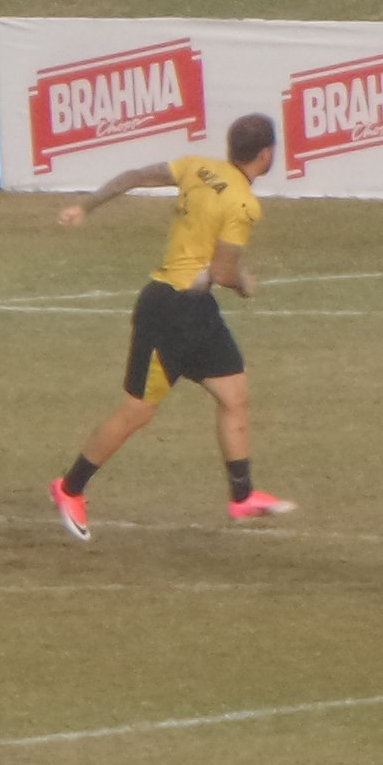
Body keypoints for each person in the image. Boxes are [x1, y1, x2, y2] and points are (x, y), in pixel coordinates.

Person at [49, 115, 295, 540]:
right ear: (267, 154)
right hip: (170, 310)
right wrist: (246, 285)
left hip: (197, 311)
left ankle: (243, 496)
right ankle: (69, 489)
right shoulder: (242, 204)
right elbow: (223, 270)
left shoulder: (200, 167)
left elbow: (133, 176)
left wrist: (85, 206)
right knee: (137, 411)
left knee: (234, 393)